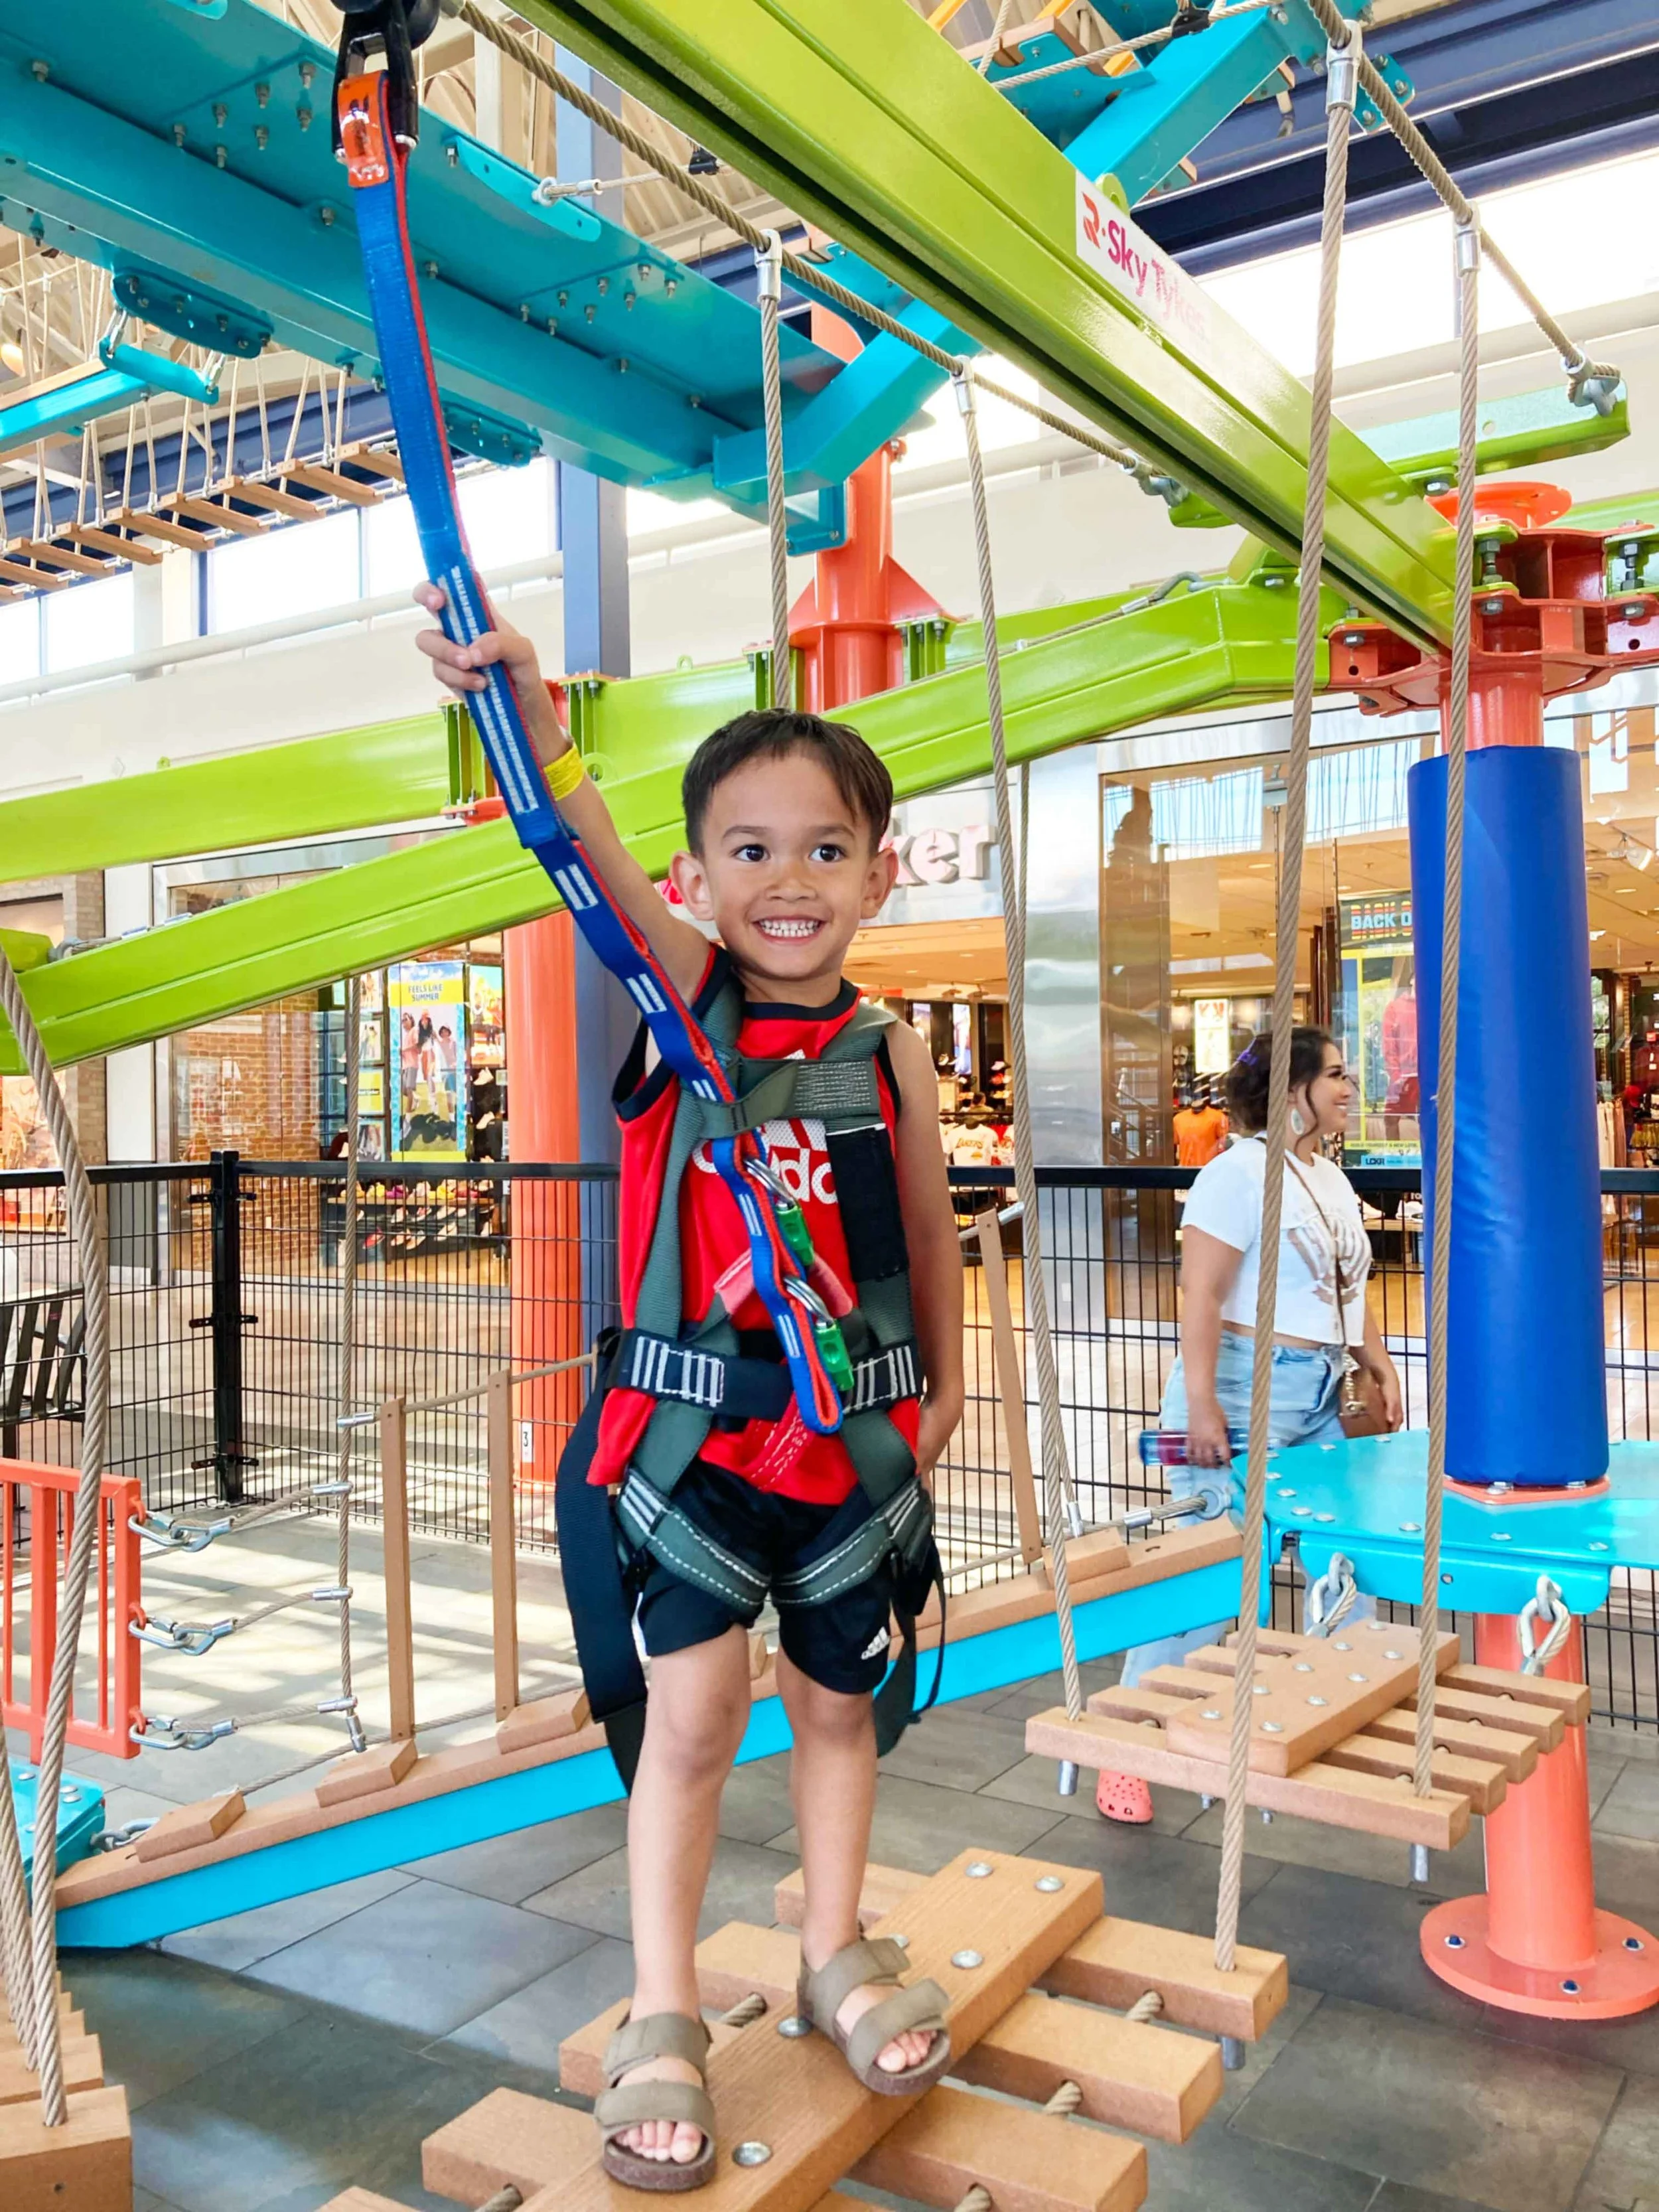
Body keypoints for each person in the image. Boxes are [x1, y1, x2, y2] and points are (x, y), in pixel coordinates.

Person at [413, 583, 964, 2187]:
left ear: (878, 868)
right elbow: (574, 851)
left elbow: (927, 1223)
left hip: (848, 1448)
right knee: (698, 1714)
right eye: (750, 849)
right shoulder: (681, 1004)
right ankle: (663, 2005)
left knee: (843, 1704)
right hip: (697, 1452)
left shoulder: (890, 1049)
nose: (789, 881)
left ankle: (833, 1948)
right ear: (697, 876)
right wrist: (528, 710)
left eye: (825, 849)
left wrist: (943, 1395)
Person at [1096, 1026, 1403, 1826]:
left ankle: (1342, 1715)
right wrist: (1201, 1404)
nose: (1348, 1087)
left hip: (1319, 1389)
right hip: (1238, 1387)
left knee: (1345, 1557)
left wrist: (1375, 1361)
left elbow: (1343, 1289)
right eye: (1334, 1075)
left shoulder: (1328, 1177)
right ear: (1291, 1090)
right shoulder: (1233, 1174)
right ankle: (1125, 1743)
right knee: (1206, 1580)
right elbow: (1200, 1295)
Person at [1172, 1084, 1227, 1168]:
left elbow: (1223, 1145)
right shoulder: (1178, 1119)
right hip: (1185, 1167)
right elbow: (1178, 1145)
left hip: (1209, 1168)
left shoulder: (1218, 1117)